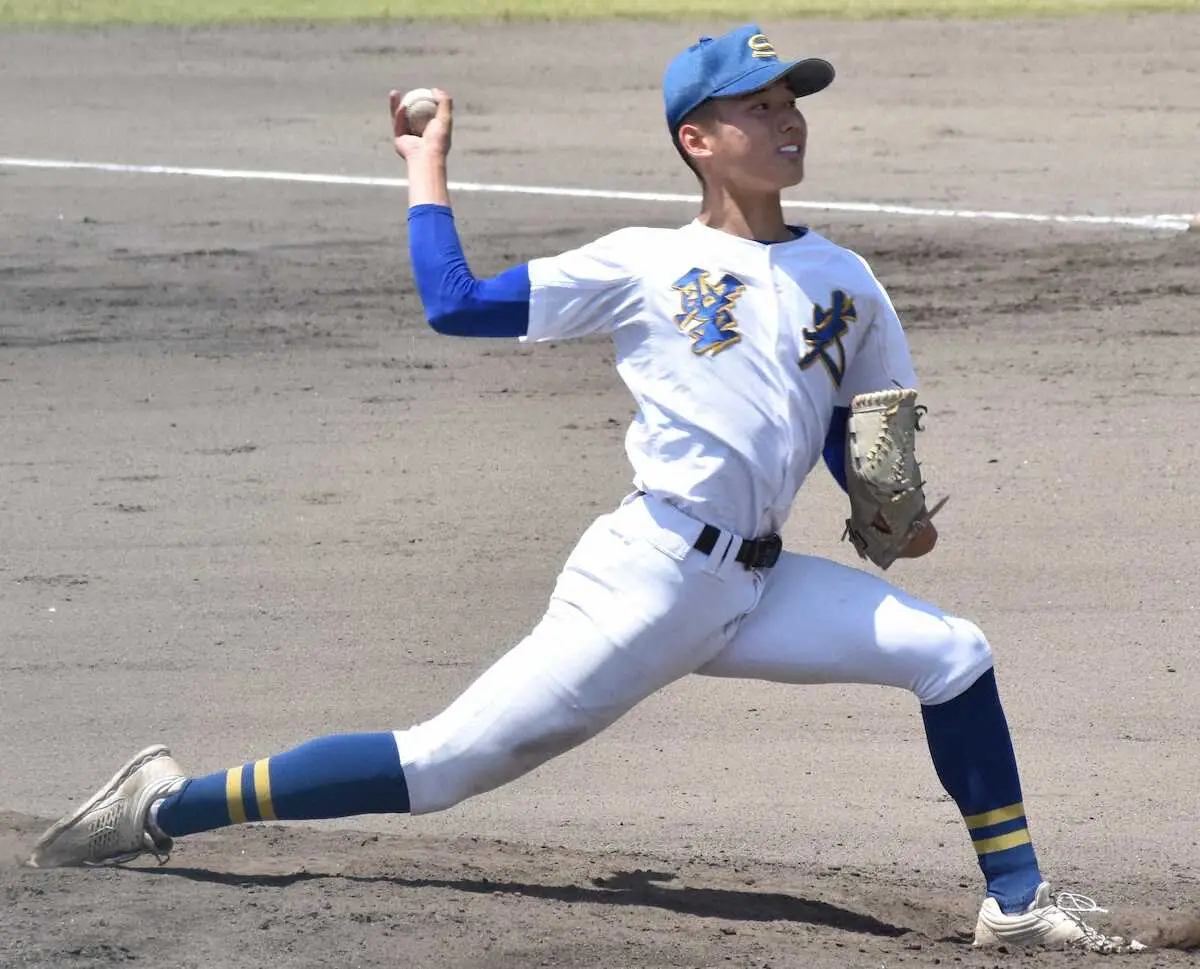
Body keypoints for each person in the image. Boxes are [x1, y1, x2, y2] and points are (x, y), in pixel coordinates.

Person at [26, 24, 1141, 954]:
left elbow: (866, 436)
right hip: (646, 579)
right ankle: (165, 804)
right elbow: (456, 304)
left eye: (793, 100)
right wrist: (426, 161)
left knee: (954, 653)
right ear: (697, 140)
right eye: (759, 106)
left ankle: (1017, 902)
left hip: (758, 587)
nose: (789, 118)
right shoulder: (640, 262)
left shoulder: (845, 280)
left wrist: (887, 511)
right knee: (442, 766)